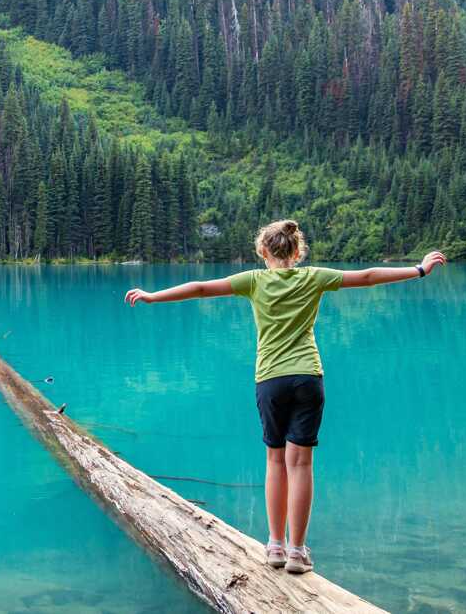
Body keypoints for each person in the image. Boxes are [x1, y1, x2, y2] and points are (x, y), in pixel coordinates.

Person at [123, 219, 446, 575]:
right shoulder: (314, 277)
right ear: (297, 251)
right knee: (301, 464)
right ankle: (297, 552)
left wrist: (153, 296)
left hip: (270, 381)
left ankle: (274, 546)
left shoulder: (253, 281)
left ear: (263, 252)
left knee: (275, 461)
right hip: (308, 378)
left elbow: (200, 288)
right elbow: (368, 276)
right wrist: (419, 270)